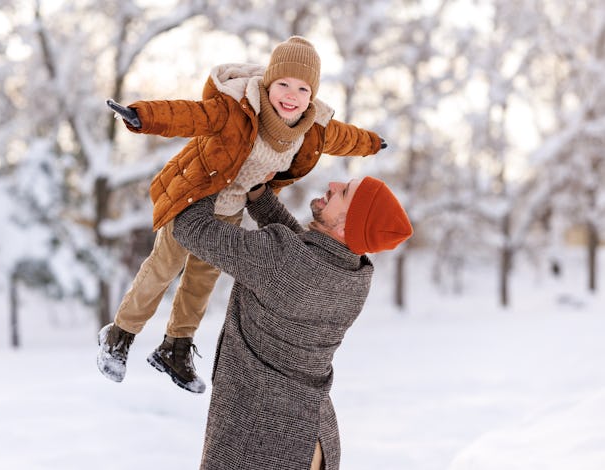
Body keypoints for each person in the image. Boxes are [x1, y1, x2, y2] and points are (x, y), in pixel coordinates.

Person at [97, 36, 387, 394]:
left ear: (312, 95)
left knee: (201, 282)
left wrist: (371, 142)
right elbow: (190, 115)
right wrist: (143, 116)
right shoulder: (238, 109)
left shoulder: (312, 129)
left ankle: (175, 348)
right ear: (268, 83)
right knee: (163, 268)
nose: (291, 95)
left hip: (230, 210)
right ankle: (119, 335)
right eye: (283, 83)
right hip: (195, 195)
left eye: (302, 87)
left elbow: (344, 138)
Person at [171, 176, 413, 469]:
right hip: (312, 435)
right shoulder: (356, 275)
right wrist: (260, 197)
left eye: (344, 192)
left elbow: (189, 227)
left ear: (346, 227)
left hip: (261, 438)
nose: (333, 184)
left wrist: (213, 172)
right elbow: (299, 253)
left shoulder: (282, 261)